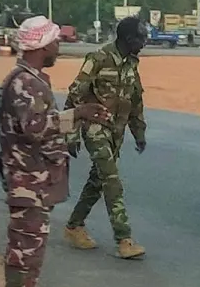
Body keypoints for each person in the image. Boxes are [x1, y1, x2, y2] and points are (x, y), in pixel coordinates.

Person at [0, 16, 109, 287]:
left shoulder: (32, 80)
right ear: (41, 46)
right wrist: (79, 115)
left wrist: (80, 116)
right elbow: (35, 128)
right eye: (55, 42)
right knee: (23, 254)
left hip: (36, 182)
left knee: (31, 254)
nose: (59, 47)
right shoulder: (23, 83)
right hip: (27, 182)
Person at [62, 16, 148, 259]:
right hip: (95, 128)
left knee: (97, 182)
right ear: (129, 39)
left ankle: (73, 226)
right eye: (141, 38)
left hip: (116, 132)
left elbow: (135, 100)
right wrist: (71, 133)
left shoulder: (132, 63)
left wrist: (138, 132)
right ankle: (124, 239)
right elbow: (75, 95)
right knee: (111, 180)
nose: (145, 42)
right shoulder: (98, 59)